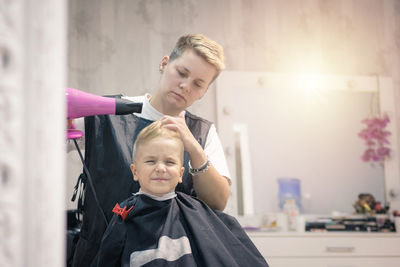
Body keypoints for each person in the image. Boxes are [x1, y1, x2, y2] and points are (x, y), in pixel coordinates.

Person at [71, 34, 232, 266]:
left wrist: (193, 147)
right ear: (165, 64)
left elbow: (218, 202)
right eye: (182, 73)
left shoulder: (203, 134)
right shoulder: (106, 114)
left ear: (203, 92)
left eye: (198, 83)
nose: (186, 86)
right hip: (99, 256)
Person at [92, 121, 268, 267]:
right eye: (151, 161)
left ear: (180, 174)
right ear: (135, 171)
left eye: (169, 162)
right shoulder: (124, 214)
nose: (160, 168)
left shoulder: (197, 212)